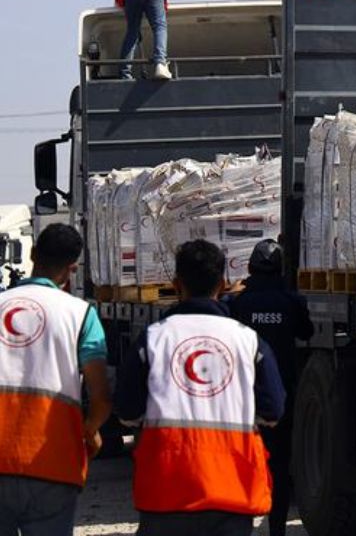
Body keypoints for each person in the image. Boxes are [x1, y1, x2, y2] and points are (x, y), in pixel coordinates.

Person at [115, 239, 285, 536]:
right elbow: (273, 410)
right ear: (224, 283)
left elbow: (127, 410)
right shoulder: (249, 341)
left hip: (166, 493)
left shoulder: (153, 339)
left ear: (176, 284)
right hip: (232, 492)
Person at [0, 224, 111, 535]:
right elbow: (101, 397)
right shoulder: (80, 314)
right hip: (53, 462)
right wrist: (89, 431)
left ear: (33, 254)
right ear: (72, 268)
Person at [228, 239, 314, 536]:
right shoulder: (292, 302)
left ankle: (241, 524)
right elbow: (307, 331)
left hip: (243, 399)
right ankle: (276, 529)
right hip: (281, 396)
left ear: (250, 268)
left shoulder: (237, 304)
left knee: (241, 462)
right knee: (278, 464)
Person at [115, 0, 172, 81]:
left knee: (132, 32)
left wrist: (127, 11)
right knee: (159, 27)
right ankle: (160, 64)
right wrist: (163, 8)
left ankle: (125, 73)